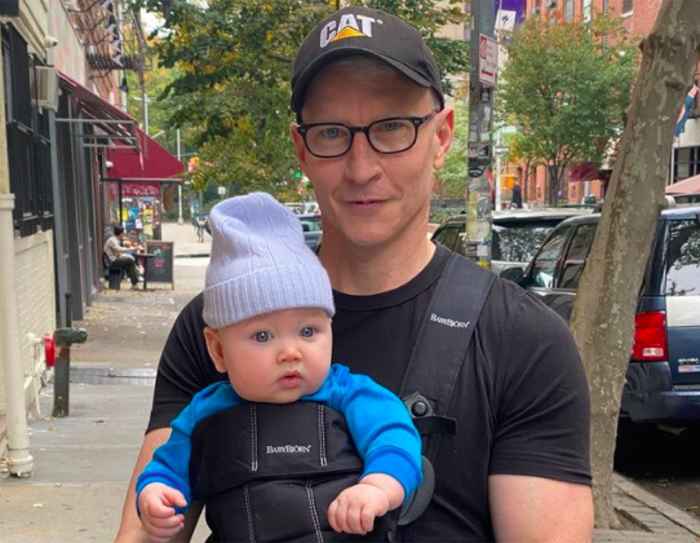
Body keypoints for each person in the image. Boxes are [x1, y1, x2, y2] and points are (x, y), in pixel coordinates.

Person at [115, 6, 593, 542]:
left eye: (393, 127)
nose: (362, 166)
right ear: (302, 149)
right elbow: (150, 525)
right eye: (332, 132)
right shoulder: (225, 320)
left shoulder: (523, 340)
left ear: (441, 135)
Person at [135, 192, 422, 542]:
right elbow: (166, 467)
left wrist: (378, 487)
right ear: (218, 350)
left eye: (307, 331)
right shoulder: (204, 414)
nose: (290, 352)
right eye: (261, 335)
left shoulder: (350, 395)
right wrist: (154, 497)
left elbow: (395, 439)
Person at [104, 224, 141, 290]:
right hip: (111, 261)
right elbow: (118, 249)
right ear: (120, 234)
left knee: (129, 262)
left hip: (113, 259)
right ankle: (135, 283)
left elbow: (118, 252)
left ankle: (134, 284)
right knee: (130, 261)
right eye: (123, 233)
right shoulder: (112, 240)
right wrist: (132, 249)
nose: (123, 235)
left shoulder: (115, 240)